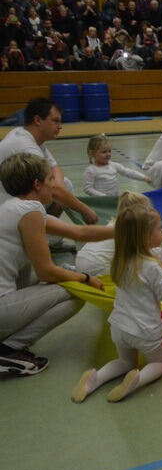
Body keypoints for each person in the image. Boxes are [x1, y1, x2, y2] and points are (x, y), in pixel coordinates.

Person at [71, 207, 162, 403]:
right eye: (160, 228)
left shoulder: (122, 259)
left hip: (119, 326)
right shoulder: (152, 267)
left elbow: (160, 252)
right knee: (160, 363)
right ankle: (136, 381)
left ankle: (95, 379)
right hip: (145, 330)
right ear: (145, 237)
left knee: (124, 362)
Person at [0, 154, 110, 375]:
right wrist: (86, 278)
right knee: (77, 290)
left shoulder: (13, 207)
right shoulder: (29, 210)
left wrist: (126, 228)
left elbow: (79, 232)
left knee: (48, 274)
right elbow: (47, 271)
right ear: (37, 185)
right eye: (51, 178)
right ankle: (9, 348)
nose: (55, 184)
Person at [0, 98, 98, 224]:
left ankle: (51, 239)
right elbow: (54, 187)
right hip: (6, 206)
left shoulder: (27, 135)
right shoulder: (24, 145)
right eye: (55, 121)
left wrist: (59, 188)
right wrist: (86, 211)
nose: (60, 127)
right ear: (37, 120)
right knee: (49, 191)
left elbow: (55, 168)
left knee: (63, 185)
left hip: (12, 199)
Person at [83, 134, 152, 196]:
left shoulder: (114, 165)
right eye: (104, 152)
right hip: (100, 204)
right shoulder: (91, 170)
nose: (108, 154)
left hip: (114, 200)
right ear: (92, 153)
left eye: (109, 151)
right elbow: (87, 189)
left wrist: (144, 177)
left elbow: (128, 172)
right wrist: (103, 197)